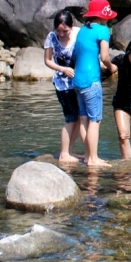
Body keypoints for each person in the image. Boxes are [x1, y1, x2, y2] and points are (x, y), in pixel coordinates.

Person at [71, 0, 118, 167]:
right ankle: (93, 158)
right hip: (91, 81)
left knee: (83, 119)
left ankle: (86, 155)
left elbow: (78, 55)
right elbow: (104, 56)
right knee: (95, 121)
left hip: (77, 80)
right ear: (103, 16)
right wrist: (112, 67)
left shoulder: (83, 30)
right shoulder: (103, 30)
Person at [44, 9, 84, 163]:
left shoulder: (79, 34)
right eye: (58, 30)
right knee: (70, 118)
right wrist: (63, 69)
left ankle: (70, 151)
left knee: (80, 118)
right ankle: (63, 154)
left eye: (65, 31)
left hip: (78, 83)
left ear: (72, 26)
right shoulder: (51, 37)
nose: (61, 34)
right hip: (62, 84)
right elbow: (47, 61)